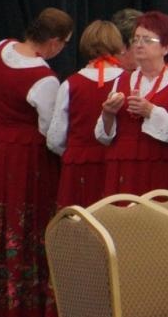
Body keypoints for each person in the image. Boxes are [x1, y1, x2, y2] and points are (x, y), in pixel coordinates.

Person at [0, 7, 74, 317]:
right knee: (27, 218)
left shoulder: (0, 48)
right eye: (63, 43)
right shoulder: (43, 78)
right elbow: (50, 131)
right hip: (27, 155)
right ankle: (22, 304)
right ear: (52, 41)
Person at [97, 10, 168, 198]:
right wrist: (108, 114)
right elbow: (104, 137)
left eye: (147, 40)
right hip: (124, 166)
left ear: (166, 48)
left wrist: (151, 111)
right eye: (136, 39)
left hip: (161, 166)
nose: (139, 45)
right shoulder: (122, 80)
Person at [48, 19, 125, 208]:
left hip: (78, 167)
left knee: (78, 226)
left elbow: (55, 139)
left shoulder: (70, 84)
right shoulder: (129, 81)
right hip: (115, 166)